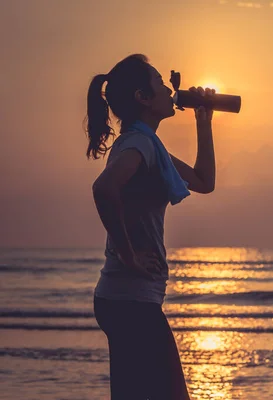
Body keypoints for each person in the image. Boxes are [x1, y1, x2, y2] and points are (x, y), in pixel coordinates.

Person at [86, 54, 216, 399]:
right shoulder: (139, 144)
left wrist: (204, 120)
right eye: (159, 83)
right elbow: (104, 188)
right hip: (130, 299)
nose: (168, 89)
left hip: (125, 298)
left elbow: (204, 181)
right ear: (143, 97)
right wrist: (130, 257)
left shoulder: (147, 145)